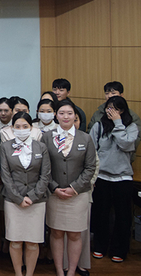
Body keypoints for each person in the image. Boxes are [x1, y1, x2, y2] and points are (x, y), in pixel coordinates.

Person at [42, 99, 96, 276]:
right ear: (56, 115)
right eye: (62, 113)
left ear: (75, 116)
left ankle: (71, 271)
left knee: (74, 234)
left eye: (70, 113)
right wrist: (54, 187)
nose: (66, 116)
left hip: (78, 195)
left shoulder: (85, 138)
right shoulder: (47, 137)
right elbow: (43, 167)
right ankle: (59, 270)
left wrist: (75, 188)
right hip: (55, 194)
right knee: (56, 233)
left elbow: (90, 168)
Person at [0, 112, 51, 276]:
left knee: (32, 242)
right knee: (15, 241)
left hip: (36, 201)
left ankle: (29, 273)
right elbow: (5, 175)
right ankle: (18, 273)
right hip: (13, 201)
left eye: (25, 126)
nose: (21, 130)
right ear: (12, 128)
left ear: (31, 128)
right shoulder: (5, 147)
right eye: (17, 127)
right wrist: (18, 198)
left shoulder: (41, 147)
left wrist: (33, 196)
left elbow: (45, 175)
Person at [90, 95, 139, 263]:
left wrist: (118, 123)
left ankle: (119, 250)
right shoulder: (98, 126)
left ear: (122, 110)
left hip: (122, 178)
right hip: (102, 176)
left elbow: (126, 144)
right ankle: (99, 247)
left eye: (116, 109)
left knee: (123, 217)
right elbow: (91, 151)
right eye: (109, 108)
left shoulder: (131, 127)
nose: (111, 112)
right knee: (101, 214)